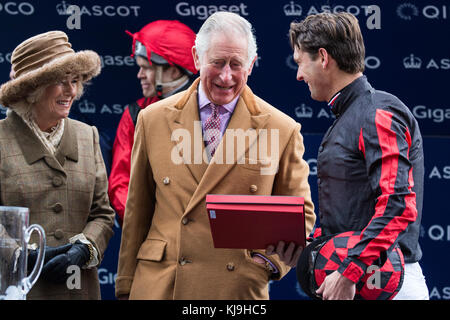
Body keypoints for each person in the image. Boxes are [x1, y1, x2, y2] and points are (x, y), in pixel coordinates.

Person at [115, 11, 316, 300]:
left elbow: (300, 215)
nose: (226, 76)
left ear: (251, 65)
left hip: (235, 292)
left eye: (236, 64)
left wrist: (265, 263)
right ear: (197, 58)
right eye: (217, 63)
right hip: (161, 287)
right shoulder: (152, 119)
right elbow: (137, 212)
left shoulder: (281, 128)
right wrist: (125, 286)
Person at [289, 12, 428, 300]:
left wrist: (350, 269)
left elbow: (398, 202)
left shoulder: (377, 112)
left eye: (300, 62)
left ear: (324, 58)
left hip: (385, 284)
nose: (299, 75)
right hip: (359, 281)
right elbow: (350, 219)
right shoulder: (351, 114)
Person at [0, 31, 115, 299]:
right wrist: (21, 256)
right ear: (32, 88)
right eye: (61, 82)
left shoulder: (88, 136)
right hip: (17, 290)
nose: (72, 91)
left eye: (75, 81)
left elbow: (102, 213)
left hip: (78, 290)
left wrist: (84, 249)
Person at [108, 20, 198, 225]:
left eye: (146, 68)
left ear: (174, 71)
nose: (139, 75)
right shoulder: (135, 113)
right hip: (152, 234)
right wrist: (147, 224)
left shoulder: (212, 113)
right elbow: (120, 184)